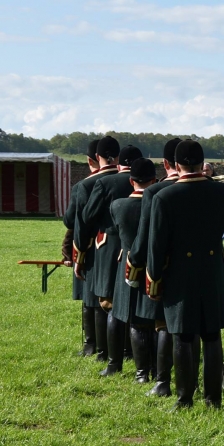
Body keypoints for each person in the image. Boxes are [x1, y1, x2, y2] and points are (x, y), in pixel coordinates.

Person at [146, 139, 224, 409]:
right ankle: (213, 399)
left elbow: (156, 245)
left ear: (175, 164)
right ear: (202, 162)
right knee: (212, 335)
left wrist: (153, 279)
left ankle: (185, 399)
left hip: (179, 275)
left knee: (183, 335)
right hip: (212, 271)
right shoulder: (222, 191)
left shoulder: (164, 196)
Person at [127, 138, 189, 397]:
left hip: (164, 266)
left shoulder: (155, 192)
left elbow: (145, 237)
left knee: (163, 325)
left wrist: (133, 264)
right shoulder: (208, 186)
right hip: (200, 268)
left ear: (166, 163)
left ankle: (163, 382)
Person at [80, 143, 143, 376]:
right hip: (141, 245)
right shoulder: (152, 184)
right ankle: (130, 351)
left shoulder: (105, 183)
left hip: (110, 245)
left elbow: (88, 216)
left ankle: (108, 354)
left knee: (109, 303)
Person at [73, 136, 123, 363]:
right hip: (127, 245)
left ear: (94, 158)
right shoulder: (129, 178)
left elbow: (78, 222)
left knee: (97, 298)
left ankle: (98, 347)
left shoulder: (86, 185)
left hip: (98, 246)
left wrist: (79, 254)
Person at [110, 158, 157, 383]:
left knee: (135, 323)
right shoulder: (159, 203)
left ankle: (141, 374)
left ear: (131, 181)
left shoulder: (117, 206)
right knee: (156, 323)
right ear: (154, 180)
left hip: (128, 265)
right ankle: (157, 371)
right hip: (155, 266)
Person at [62, 139, 99, 356]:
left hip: (87, 247)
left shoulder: (83, 186)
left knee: (89, 298)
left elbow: (70, 221)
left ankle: (91, 343)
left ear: (89, 160)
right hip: (114, 248)